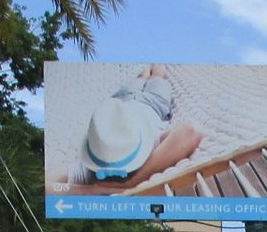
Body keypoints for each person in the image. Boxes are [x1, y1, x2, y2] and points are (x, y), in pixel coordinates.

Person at [67, 65, 204, 193]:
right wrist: (134, 181)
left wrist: (93, 190)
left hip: (121, 101)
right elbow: (190, 131)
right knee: (158, 75)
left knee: (141, 77)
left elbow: (49, 183)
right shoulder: (146, 148)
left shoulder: (91, 165)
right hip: (153, 102)